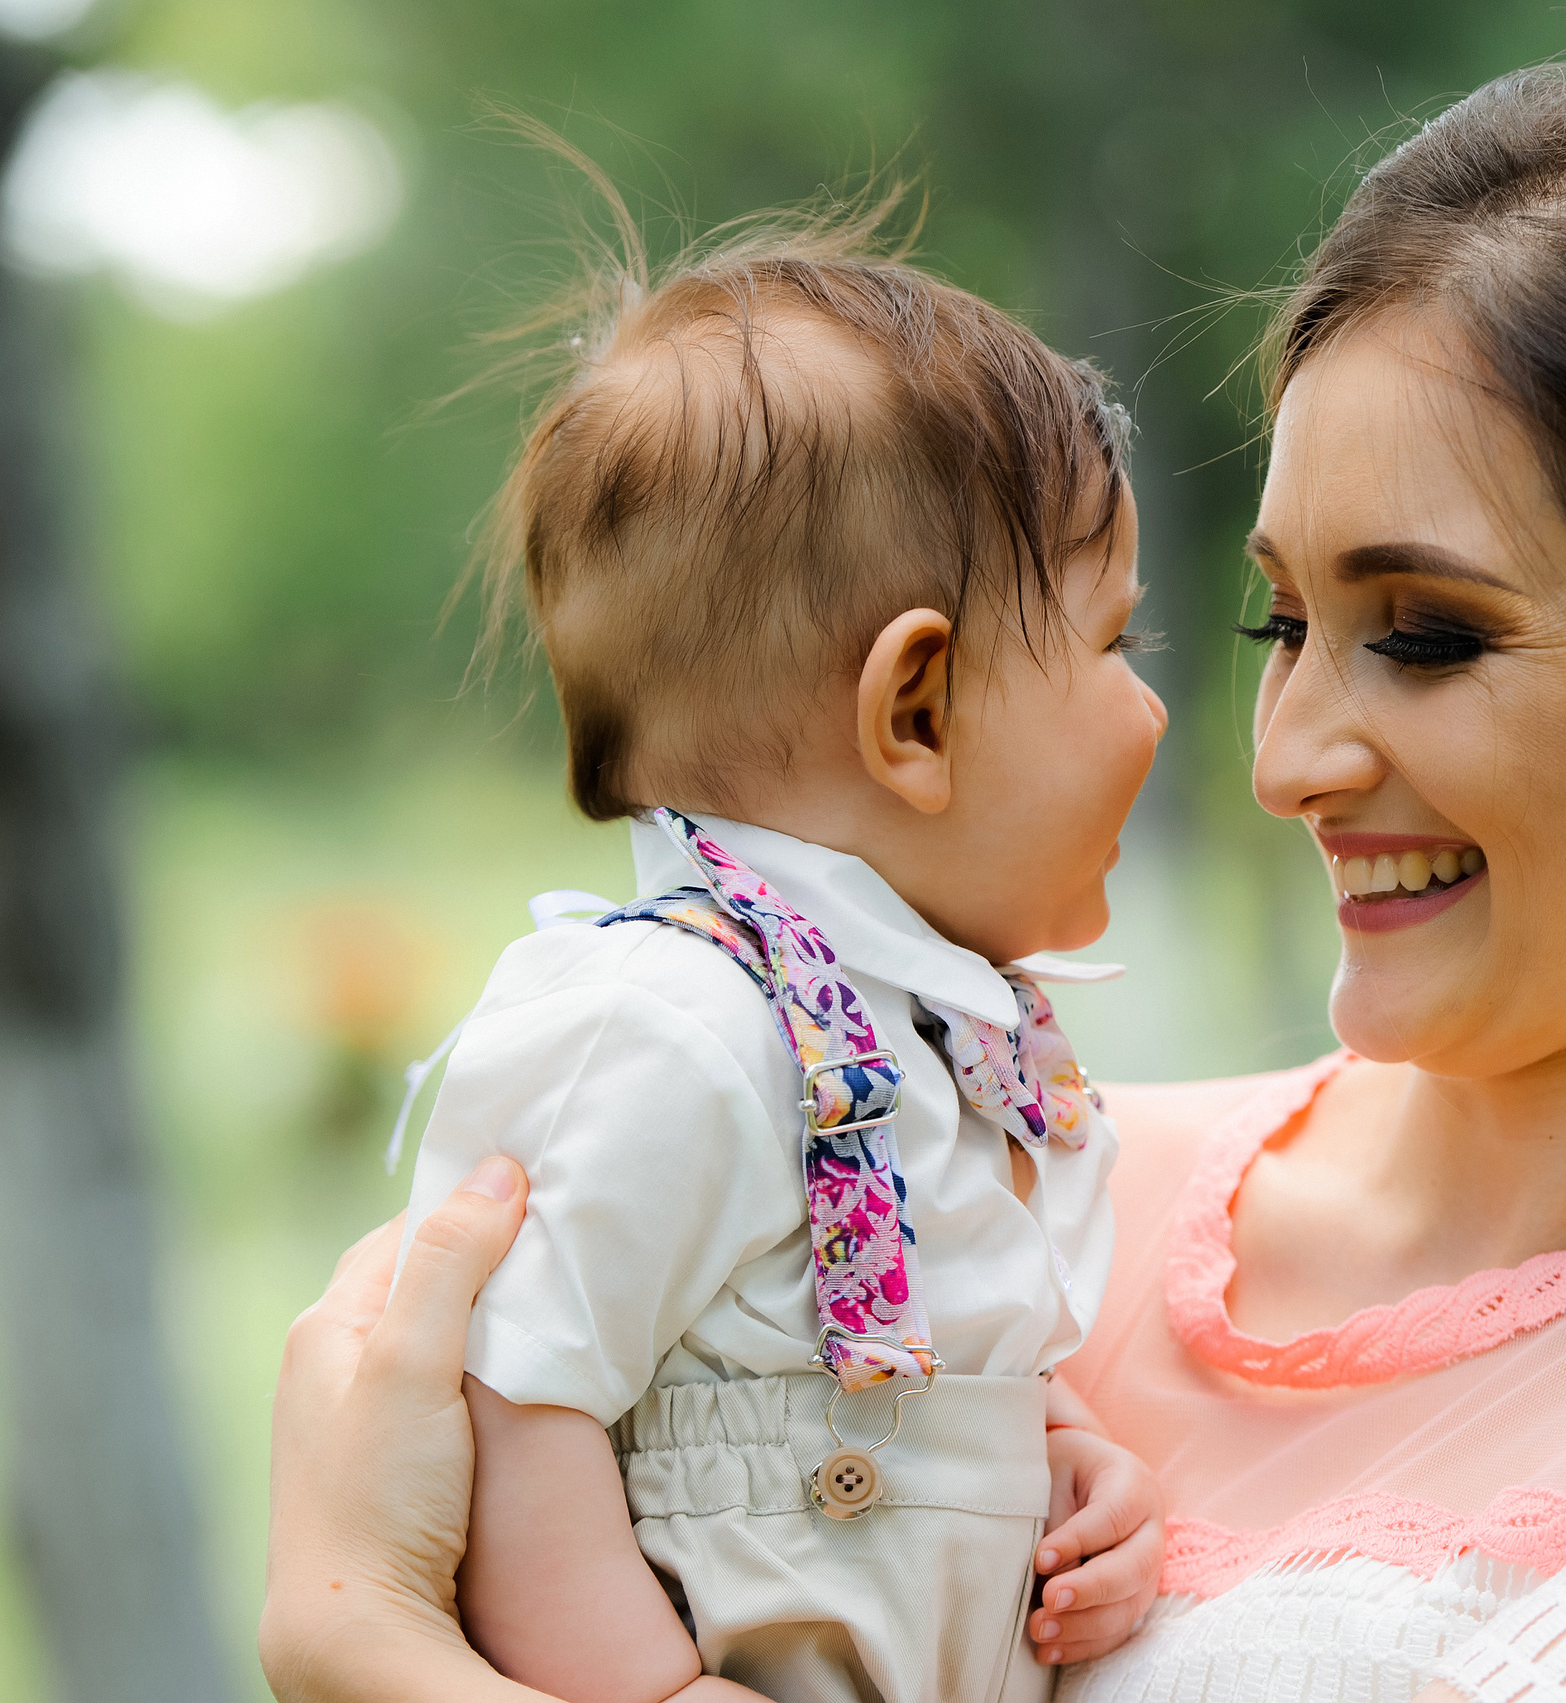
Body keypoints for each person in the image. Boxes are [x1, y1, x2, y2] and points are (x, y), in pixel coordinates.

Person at [263, 60, 1566, 1703]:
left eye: (1427, 632)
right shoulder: (985, 1186)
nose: (1288, 754)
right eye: (1273, 624)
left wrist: (377, 1646)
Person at [385, 199, 1172, 1703]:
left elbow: (918, 1371)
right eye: (1112, 646)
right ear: (915, 713)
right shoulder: (668, 1026)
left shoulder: (931, 1036)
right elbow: (510, 1406)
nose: (1149, 712)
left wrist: (1068, 1471)